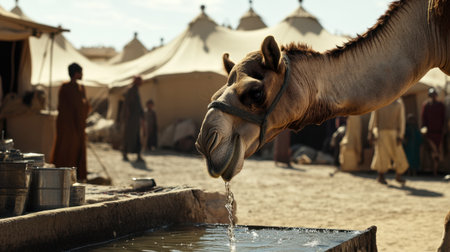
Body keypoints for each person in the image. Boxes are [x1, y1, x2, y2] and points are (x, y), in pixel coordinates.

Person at [51, 63, 91, 181]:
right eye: (80, 72)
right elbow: (68, 107)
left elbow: (83, 106)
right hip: (68, 126)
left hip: (79, 125)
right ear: (76, 73)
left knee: (78, 150)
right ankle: (64, 175)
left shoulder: (81, 88)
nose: (82, 74)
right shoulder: (65, 88)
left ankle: (76, 176)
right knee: (67, 149)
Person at [368, 98, 408, 185]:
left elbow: (402, 119)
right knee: (382, 155)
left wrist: (401, 135)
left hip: (394, 134)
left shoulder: (399, 103)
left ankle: (398, 176)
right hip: (381, 133)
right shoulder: (380, 101)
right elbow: (374, 118)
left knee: (398, 154)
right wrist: (371, 132)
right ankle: (381, 176)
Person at [421, 87, 446, 176]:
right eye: (431, 95)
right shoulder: (426, 105)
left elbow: (443, 119)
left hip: (439, 133)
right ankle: (434, 171)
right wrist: (424, 129)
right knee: (433, 151)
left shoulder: (440, 105)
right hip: (430, 133)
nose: (433, 97)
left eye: (434, 95)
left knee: (437, 152)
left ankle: (435, 171)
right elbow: (424, 118)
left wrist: (443, 130)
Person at [121, 76, 144, 162]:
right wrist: (127, 117)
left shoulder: (136, 90)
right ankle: (125, 153)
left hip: (135, 119)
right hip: (130, 119)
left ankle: (138, 154)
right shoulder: (131, 90)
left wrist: (141, 114)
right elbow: (127, 105)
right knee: (128, 136)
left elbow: (138, 104)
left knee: (137, 137)